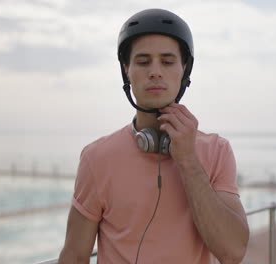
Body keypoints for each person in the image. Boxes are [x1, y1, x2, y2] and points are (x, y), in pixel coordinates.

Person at [58, 8, 249, 264]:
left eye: (168, 62)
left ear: (184, 70)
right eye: (143, 61)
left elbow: (233, 251)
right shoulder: (96, 158)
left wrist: (188, 160)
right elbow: (74, 255)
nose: (155, 72)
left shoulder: (217, 151)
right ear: (127, 70)